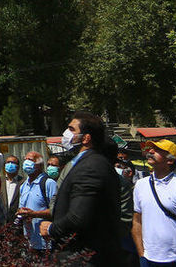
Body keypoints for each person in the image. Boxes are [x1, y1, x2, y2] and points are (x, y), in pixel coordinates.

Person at [40, 111, 120, 266]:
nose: (66, 133)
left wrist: (51, 229)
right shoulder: (83, 163)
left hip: (83, 256)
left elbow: (78, 217)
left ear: (86, 138)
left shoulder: (91, 167)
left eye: (71, 129)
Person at [131, 139, 176, 267]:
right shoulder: (141, 185)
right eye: (151, 149)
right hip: (149, 259)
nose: (151, 152)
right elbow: (137, 221)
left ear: (170, 160)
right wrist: (141, 254)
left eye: (158, 150)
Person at [14, 151, 57, 253]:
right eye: (25, 160)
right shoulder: (23, 185)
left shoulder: (48, 183)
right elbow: (22, 208)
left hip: (45, 243)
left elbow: (56, 211)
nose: (26, 162)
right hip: (29, 242)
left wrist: (34, 214)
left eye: (30, 160)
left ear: (40, 165)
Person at [116, 158, 140, 267]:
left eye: (119, 167)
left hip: (134, 245)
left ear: (130, 172)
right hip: (118, 245)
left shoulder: (139, 191)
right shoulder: (115, 191)